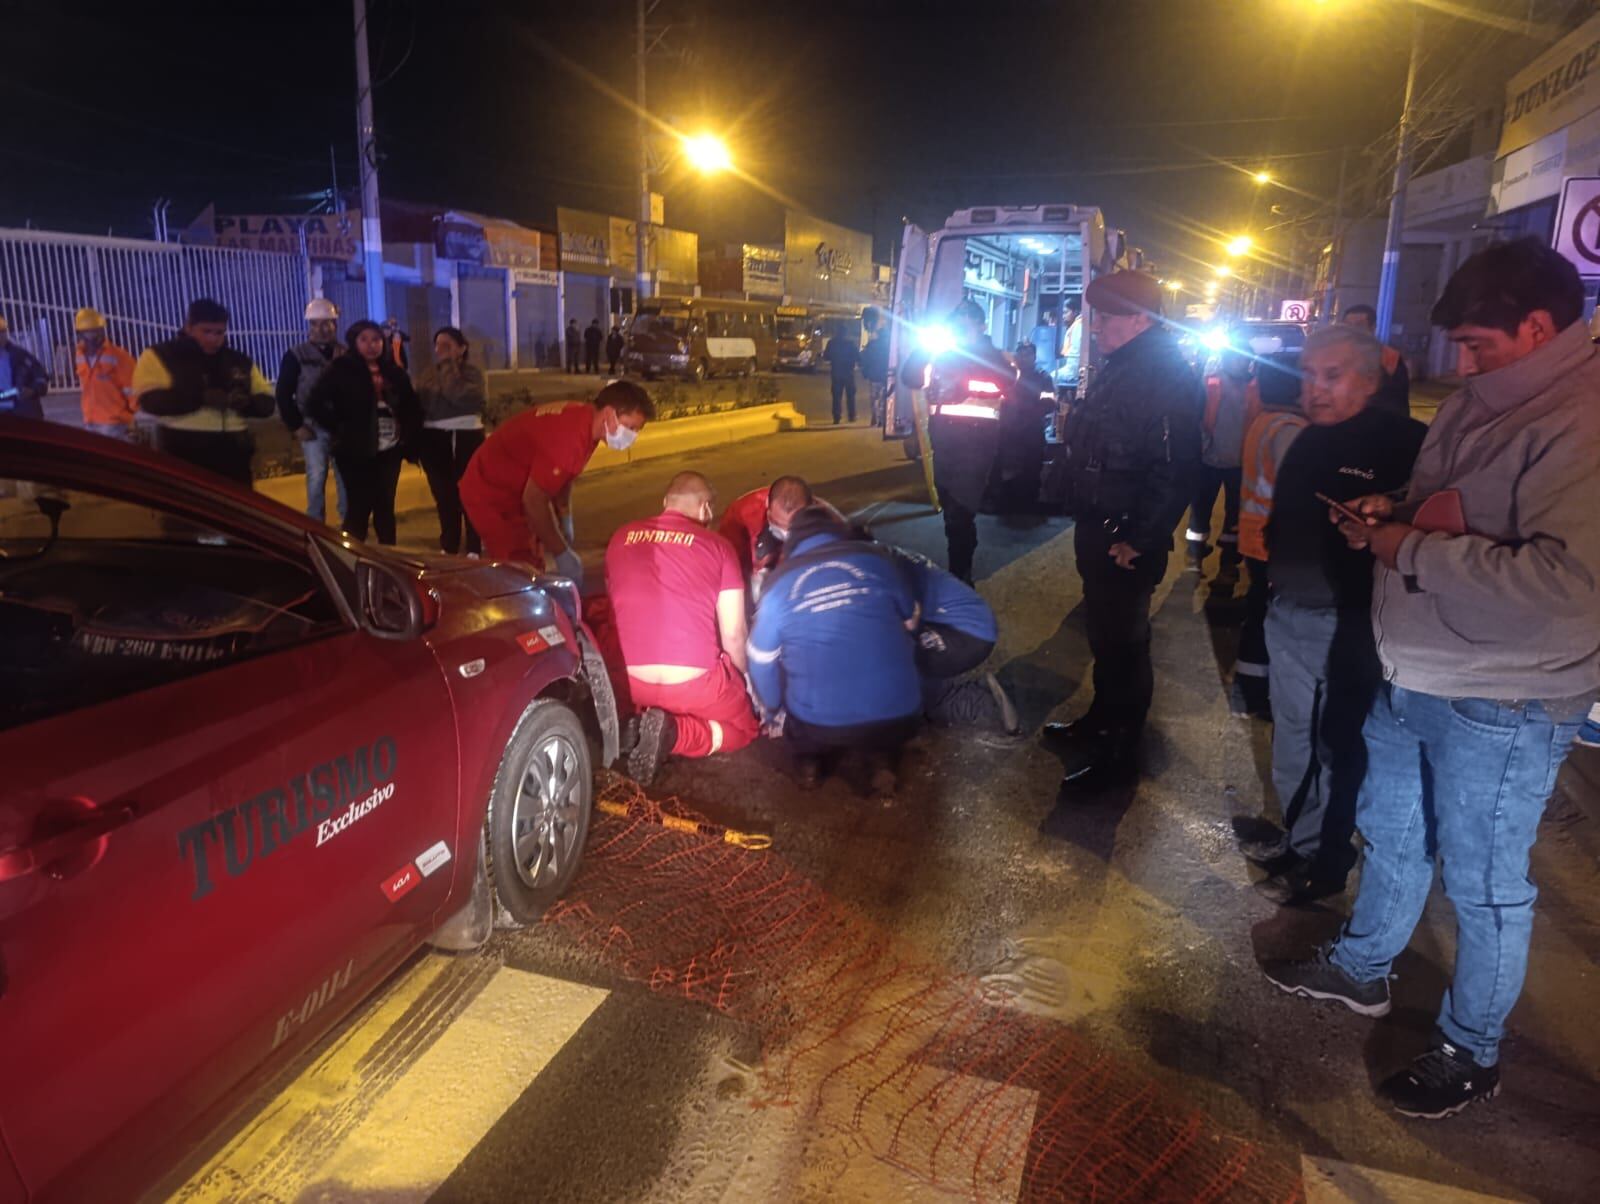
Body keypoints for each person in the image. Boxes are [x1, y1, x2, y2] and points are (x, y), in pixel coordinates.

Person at [1261, 238, 1600, 1120]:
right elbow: (1447, 498)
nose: (1461, 364)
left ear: (1538, 327)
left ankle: (1472, 1046)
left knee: (1486, 882)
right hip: (1412, 668)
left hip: (1505, 697)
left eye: (1480, 344)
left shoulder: (1583, 416)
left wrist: (1409, 547)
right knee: (1391, 831)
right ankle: (1364, 966)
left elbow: (1573, 587)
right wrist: (1396, 511)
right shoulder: (1481, 396)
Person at [1246, 326, 1425, 906]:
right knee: (1294, 738)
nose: (1314, 389)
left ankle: (1326, 864)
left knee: (1336, 746)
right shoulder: (1306, 439)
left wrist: (1386, 524)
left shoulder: (1405, 443)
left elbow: (1432, 518)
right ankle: (1300, 843)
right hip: (1288, 613)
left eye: (1333, 376)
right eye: (1308, 376)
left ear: (1370, 381)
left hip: (1344, 623)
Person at [1042, 269, 1201, 796]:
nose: (1095, 327)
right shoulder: (1126, 365)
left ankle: (1118, 757)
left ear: (1138, 319)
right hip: (1102, 529)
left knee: (1125, 650)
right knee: (1106, 642)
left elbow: (1175, 467)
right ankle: (1099, 723)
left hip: (1125, 541)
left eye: (1106, 317)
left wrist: (1145, 538)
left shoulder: (1163, 373)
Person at [748, 505, 923, 795]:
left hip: (818, 722)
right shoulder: (876, 558)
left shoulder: (779, 584)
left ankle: (810, 765)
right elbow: (911, 620)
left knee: (779, 663)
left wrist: (772, 710)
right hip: (899, 712)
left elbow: (759, 661)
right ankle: (882, 762)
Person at [606, 472, 759, 784]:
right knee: (744, 729)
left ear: (665, 503)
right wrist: (745, 686)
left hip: (631, 682)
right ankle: (674, 734)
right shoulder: (719, 547)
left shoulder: (620, 537)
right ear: (705, 509)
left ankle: (636, 726)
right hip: (695, 686)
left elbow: (619, 609)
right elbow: (733, 634)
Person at [459, 381, 655, 582]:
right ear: (609, 413)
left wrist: (564, 515)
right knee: (520, 569)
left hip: (512, 483)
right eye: (630, 427)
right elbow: (534, 501)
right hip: (490, 490)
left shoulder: (587, 421)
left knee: (533, 556)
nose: (632, 436)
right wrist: (561, 552)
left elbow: (564, 476)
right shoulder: (570, 439)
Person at [914, 299, 1014, 584]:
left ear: (981, 327)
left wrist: (964, 378)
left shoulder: (992, 355)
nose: (960, 330)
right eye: (957, 324)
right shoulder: (942, 353)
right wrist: (925, 347)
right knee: (950, 508)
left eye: (966, 325)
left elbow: (1007, 382)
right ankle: (959, 565)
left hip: (976, 442)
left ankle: (961, 573)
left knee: (960, 511)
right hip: (943, 439)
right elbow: (911, 376)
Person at [1230, 352, 1305, 720]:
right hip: (1271, 539)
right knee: (1267, 616)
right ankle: (1254, 694)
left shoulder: (1263, 421)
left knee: (1257, 610)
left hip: (1254, 534)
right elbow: (1298, 490)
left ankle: (1247, 689)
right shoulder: (1289, 429)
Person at [133, 299, 274, 486]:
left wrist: (247, 403)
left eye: (220, 332)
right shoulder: (161, 355)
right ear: (188, 327)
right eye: (206, 331)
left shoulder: (238, 361)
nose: (214, 339)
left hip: (234, 453)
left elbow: (267, 403)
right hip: (183, 451)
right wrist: (200, 398)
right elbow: (150, 400)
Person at [305, 319, 422, 546]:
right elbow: (315, 403)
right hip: (354, 449)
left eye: (376, 339)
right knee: (358, 506)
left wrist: (409, 437)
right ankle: (351, 556)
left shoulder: (394, 372)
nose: (371, 345)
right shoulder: (341, 369)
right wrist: (340, 426)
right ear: (354, 342)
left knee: (385, 505)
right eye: (364, 340)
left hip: (389, 448)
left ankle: (388, 557)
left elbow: (411, 406)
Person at [887, 543, 1020, 736]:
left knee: (895, 662)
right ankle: (958, 687)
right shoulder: (876, 555)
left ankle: (984, 707)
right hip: (968, 621)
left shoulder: (878, 570)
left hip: (966, 634)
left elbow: (907, 619)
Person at [415, 327, 488, 555]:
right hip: (435, 438)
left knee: (470, 492)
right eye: (438, 345)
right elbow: (421, 404)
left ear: (462, 348)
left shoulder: (473, 373)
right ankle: (449, 543)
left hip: (467, 436)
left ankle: (474, 546)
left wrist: (448, 368)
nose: (440, 350)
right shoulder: (428, 373)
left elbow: (460, 396)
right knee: (444, 495)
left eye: (447, 345)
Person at [276, 298, 348, 525]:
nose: (322, 329)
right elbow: (283, 394)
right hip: (312, 427)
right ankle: (315, 525)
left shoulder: (345, 354)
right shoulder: (296, 355)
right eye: (315, 324)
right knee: (316, 477)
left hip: (341, 426)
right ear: (309, 326)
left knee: (345, 477)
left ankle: (349, 525)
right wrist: (296, 425)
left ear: (335, 324)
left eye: (327, 323)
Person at [1186, 344, 1251, 572]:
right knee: (1221, 512)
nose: (1241, 363)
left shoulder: (1212, 382)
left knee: (1210, 511)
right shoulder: (1250, 386)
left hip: (1220, 462)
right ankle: (1218, 561)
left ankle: (1205, 561)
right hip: (1226, 463)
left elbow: (1200, 420)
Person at [717, 475, 815, 585]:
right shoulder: (740, 515)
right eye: (778, 523)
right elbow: (728, 563)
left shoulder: (826, 517)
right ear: (767, 503)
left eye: (794, 525)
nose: (785, 531)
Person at [992, 341, 1055, 511]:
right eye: (1021, 353)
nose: (1024, 358)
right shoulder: (1008, 375)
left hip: (1032, 431)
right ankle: (1004, 503)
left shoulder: (1043, 377)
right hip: (1007, 429)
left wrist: (1029, 414)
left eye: (1028, 354)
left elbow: (1049, 403)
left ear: (1034, 357)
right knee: (1005, 467)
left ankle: (1027, 504)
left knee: (1031, 468)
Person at [73, 308, 137, 440]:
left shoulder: (119, 356)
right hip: (90, 421)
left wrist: (138, 416)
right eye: (89, 332)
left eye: (98, 330)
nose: (95, 336)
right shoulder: (79, 355)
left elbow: (133, 388)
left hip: (115, 423)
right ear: (79, 334)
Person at [1340, 303, 1409, 416]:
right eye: (1347, 326)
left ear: (1372, 328)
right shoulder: (1332, 355)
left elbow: (1398, 402)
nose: (1352, 330)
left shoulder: (1390, 358)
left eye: (1359, 326)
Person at [0, 316, 49, 420]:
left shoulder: (20, 355)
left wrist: (33, 390)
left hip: (23, 413)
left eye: (2, 332)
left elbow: (40, 376)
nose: (1, 336)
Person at [823, 327, 860, 424]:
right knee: (850, 395)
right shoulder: (850, 344)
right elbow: (857, 357)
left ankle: (836, 417)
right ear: (846, 333)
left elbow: (826, 357)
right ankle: (851, 416)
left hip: (836, 373)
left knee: (836, 396)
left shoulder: (831, 343)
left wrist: (834, 359)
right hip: (848, 373)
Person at [860, 317, 891, 427]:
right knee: (884, 398)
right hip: (886, 376)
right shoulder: (890, 346)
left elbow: (865, 358)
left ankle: (874, 418)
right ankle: (882, 420)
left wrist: (865, 372)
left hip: (874, 376)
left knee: (874, 398)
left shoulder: (872, 345)